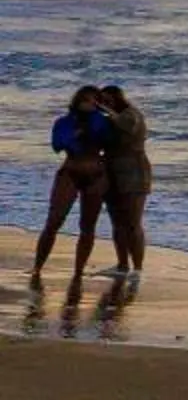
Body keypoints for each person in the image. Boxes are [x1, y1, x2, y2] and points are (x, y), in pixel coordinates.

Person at [32, 88, 111, 281]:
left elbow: (110, 141)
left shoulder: (102, 120)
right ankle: (37, 267)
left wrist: (99, 115)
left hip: (96, 172)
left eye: (92, 101)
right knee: (54, 220)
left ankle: (79, 270)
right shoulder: (64, 122)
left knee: (88, 225)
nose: (88, 104)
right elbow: (57, 145)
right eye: (84, 100)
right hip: (71, 169)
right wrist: (76, 132)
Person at [96, 86, 151, 284]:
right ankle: (122, 264)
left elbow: (127, 125)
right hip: (111, 171)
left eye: (108, 100)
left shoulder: (131, 114)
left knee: (133, 222)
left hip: (134, 170)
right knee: (116, 221)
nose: (104, 104)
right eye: (102, 101)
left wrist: (107, 111)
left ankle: (137, 267)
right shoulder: (107, 119)